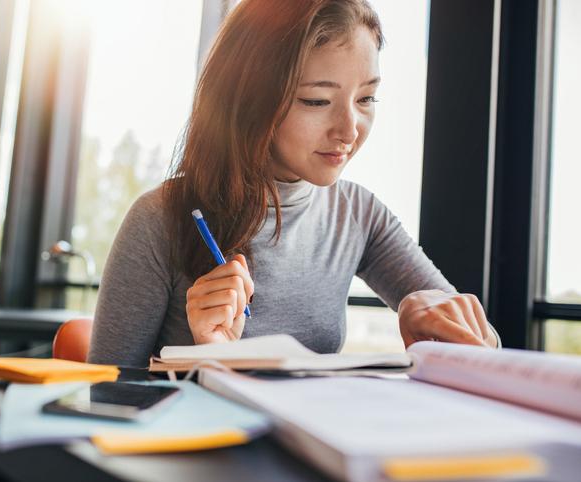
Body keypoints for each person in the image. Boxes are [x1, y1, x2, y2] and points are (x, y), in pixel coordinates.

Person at [88, 0, 500, 367]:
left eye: (366, 99)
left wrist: (439, 320)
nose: (349, 130)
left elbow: (487, 349)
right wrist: (206, 359)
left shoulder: (359, 215)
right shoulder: (160, 220)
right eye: (317, 101)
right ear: (250, 96)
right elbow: (103, 396)